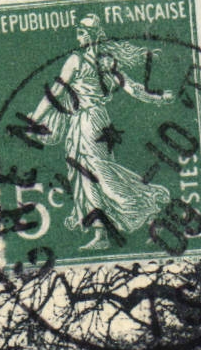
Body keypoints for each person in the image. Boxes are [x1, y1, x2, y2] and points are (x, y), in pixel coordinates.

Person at [27, 14, 176, 251]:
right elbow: (134, 89)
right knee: (86, 177)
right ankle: (102, 233)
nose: (79, 36)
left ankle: (149, 206)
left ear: (93, 36)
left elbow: (55, 91)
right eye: (78, 32)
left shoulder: (78, 61)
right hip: (91, 122)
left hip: (88, 122)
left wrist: (34, 118)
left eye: (83, 32)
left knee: (99, 173)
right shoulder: (104, 62)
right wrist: (158, 98)